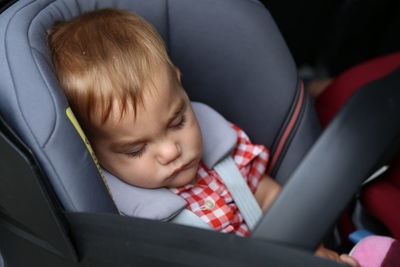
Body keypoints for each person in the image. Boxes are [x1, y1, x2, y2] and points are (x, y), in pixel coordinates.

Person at [47, 8, 358, 266]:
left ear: (180, 85)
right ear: (92, 149)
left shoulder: (223, 156)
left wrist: (313, 252)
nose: (171, 151)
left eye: (177, 121)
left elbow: (270, 198)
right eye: (136, 149)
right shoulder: (129, 219)